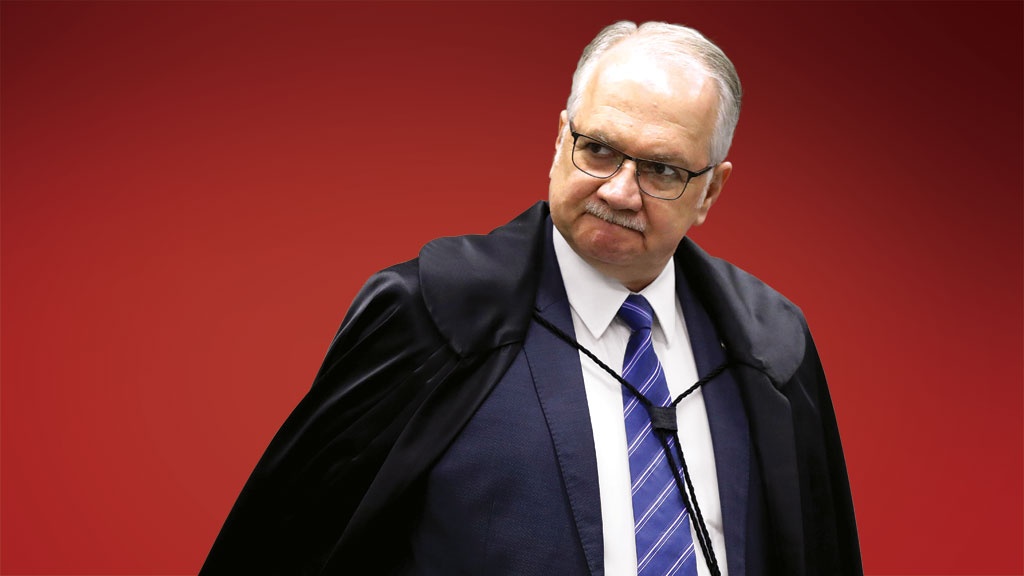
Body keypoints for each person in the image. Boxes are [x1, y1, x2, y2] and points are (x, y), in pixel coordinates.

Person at [201, 20, 861, 576]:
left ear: (711, 190)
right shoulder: (432, 314)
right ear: (560, 139)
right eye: (597, 150)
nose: (619, 191)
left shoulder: (770, 349)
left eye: (660, 170)